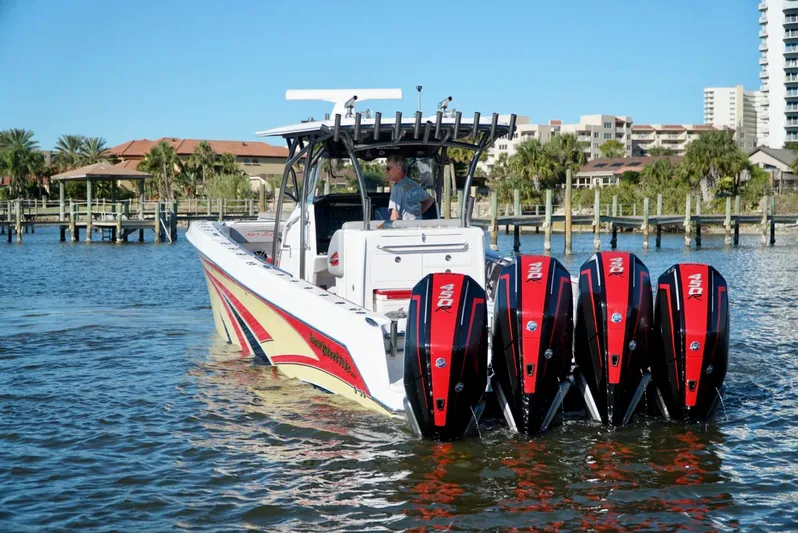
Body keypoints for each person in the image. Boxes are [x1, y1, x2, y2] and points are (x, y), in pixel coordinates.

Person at [385, 154, 435, 221]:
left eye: (388, 168)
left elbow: (395, 216)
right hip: (418, 228)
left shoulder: (397, 188)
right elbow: (430, 200)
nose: (387, 172)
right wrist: (418, 213)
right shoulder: (414, 185)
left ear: (398, 168)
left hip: (405, 229)